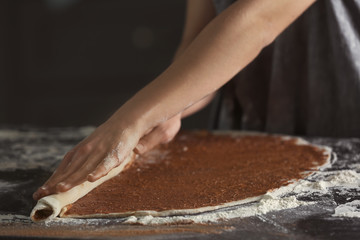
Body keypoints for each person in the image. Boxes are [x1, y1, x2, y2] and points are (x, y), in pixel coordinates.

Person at [33, 0, 360, 200]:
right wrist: (169, 111)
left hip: (341, 130)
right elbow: (197, 47)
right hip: (250, 133)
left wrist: (130, 120)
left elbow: (259, 20)